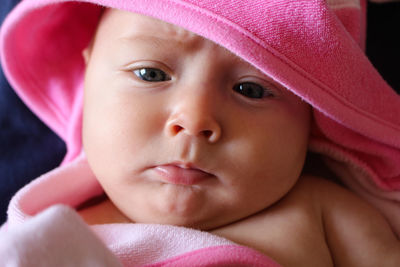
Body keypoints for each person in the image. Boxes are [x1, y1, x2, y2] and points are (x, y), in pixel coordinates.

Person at [0, 0, 400, 266]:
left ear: (315, 116)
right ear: (87, 78)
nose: (195, 120)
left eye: (251, 89)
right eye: (150, 74)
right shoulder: (55, 233)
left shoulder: (324, 215)